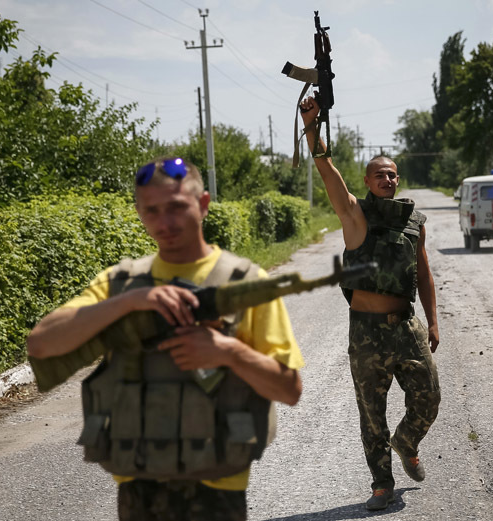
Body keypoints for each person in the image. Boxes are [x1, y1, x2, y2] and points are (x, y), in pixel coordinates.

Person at [27, 157, 304, 521]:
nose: (164, 223)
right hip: (137, 488)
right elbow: (41, 344)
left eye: (176, 207)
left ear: (203, 204)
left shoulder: (245, 281)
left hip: (216, 492)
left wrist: (228, 351)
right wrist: (130, 302)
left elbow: (290, 390)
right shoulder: (120, 282)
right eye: (151, 211)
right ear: (139, 212)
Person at [300, 96, 441, 511]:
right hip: (365, 332)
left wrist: (433, 322)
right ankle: (382, 485)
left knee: (429, 398)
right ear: (367, 180)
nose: (388, 180)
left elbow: (424, 273)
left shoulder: (414, 222)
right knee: (371, 413)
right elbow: (329, 173)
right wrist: (312, 128)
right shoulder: (355, 216)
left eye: (393, 174)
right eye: (381, 174)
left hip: (406, 326)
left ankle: (407, 441)